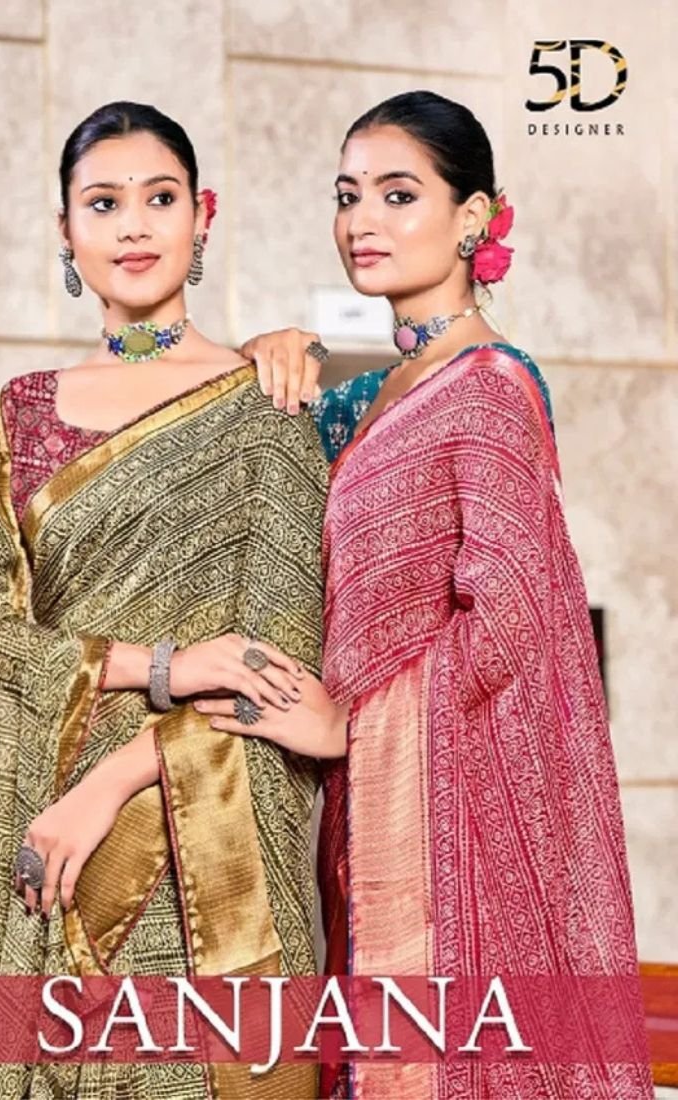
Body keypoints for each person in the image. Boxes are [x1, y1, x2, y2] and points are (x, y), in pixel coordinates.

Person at [198, 91, 655, 1098]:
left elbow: (510, 616)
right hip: (374, 821)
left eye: (398, 194)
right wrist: (260, 354)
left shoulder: (487, 385)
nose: (362, 220)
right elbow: (231, 457)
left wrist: (349, 722)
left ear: (473, 216)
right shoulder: (375, 395)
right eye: (347, 195)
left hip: (460, 835)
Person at [0, 100, 331, 1100]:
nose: (134, 226)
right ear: (65, 230)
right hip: (47, 843)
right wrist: (160, 665)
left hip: (200, 848)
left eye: (160, 198)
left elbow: (277, 678)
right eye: (103, 203)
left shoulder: (264, 408)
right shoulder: (21, 414)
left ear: (203, 215)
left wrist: (106, 790)